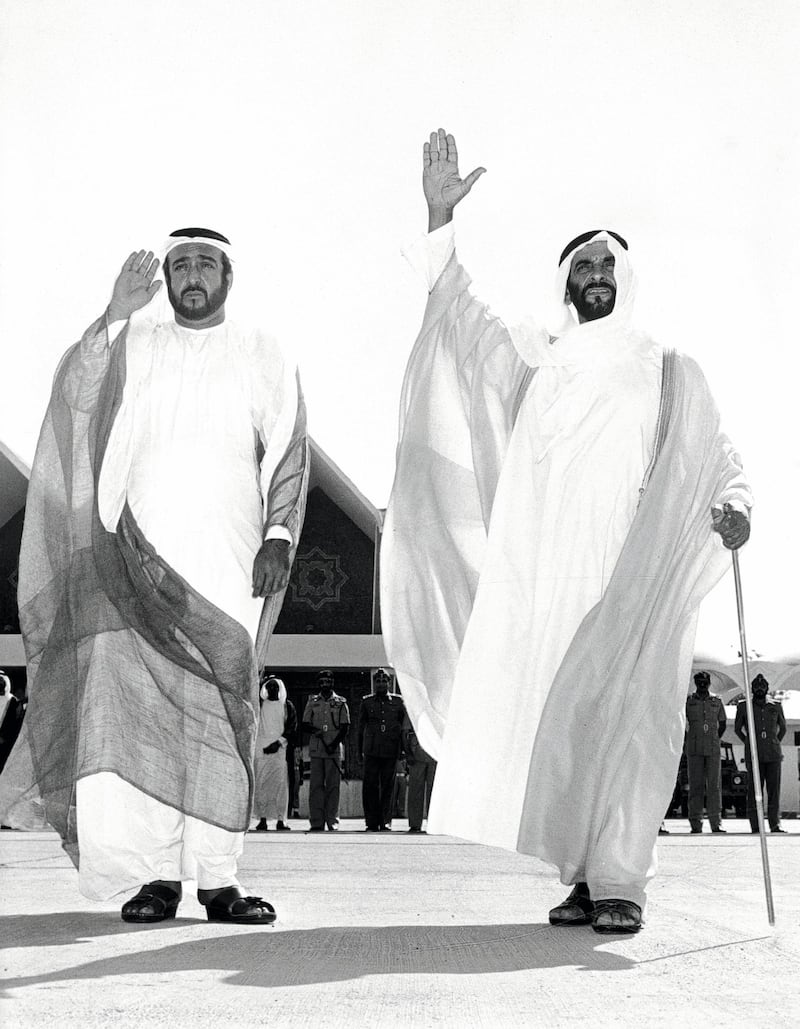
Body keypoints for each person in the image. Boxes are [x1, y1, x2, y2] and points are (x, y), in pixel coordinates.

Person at [381, 129, 752, 933]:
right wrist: (439, 217)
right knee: (571, 730)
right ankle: (584, 875)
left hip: (634, 574)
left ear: (627, 277)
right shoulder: (536, 357)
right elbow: (462, 320)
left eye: (604, 265)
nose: (592, 277)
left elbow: (719, 455)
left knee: (635, 724)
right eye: (580, 268)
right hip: (552, 580)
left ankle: (622, 879)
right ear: (565, 284)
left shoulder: (667, 368)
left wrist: (737, 507)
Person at [0, 229, 308, 925]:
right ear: (164, 277)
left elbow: (289, 443)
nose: (191, 274)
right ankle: (158, 877)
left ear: (229, 274)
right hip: (136, 553)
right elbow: (75, 390)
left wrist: (279, 532)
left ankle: (218, 878)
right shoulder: (135, 340)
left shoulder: (262, 347)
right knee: (140, 709)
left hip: (229, 559)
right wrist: (113, 313)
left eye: (205, 263)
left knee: (223, 708)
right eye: (179, 265)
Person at [735, 674, 786, 833]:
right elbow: (738, 729)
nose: (759, 690)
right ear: (751, 689)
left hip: (773, 754)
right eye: (756, 687)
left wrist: (774, 741)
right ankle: (756, 825)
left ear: (767, 688)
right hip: (754, 755)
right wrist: (749, 742)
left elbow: (782, 728)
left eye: (762, 687)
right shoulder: (744, 706)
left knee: (773, 790)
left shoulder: (776, 705)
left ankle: (774, 824)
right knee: (754, 790)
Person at [358, 668, 406, 831]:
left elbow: (402, 728)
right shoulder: (367, 702)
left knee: (388, 786)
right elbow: (360, 728)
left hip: (390, 749)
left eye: (384, 681)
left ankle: (385, 821)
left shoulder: (398, 702)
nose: (381, 684)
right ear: (374, 683)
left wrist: (402, 750)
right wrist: (359, 751)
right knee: (370, 786)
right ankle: (371, 821)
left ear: (389, 682)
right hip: (371, 750)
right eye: (378, 681)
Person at [302, 669, 350, 831]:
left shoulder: (341, 702)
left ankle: (332, 821)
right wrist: (316, 731)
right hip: (317, 749)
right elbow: (305, 724)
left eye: (328, 682)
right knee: (316, 786)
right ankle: (316, 821)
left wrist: (334, 744)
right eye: (322, 682)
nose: (325, 685)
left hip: (333, 750)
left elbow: (345, 727)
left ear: (332, 683)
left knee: (333, 786)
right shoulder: (312, 701)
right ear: (319, 684)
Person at [685, 671, 727, 834]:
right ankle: (695, 823)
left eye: (705, 682)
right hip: (694, 748)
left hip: (712, 748)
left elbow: (722, 723)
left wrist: (714, 738)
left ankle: (716, 822)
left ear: (709, 683)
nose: (702, 685)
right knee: (695, 786)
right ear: (696, 683)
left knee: (714, 786)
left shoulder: (716, 701)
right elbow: (683, 721)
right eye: (699, 682)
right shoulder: (689, 702)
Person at [253, 675, 296, 832]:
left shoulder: (286, 706)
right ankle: (262, 819)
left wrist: (278, 743)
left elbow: (292, 727)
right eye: (269, 686)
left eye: (275, 687)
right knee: (261, 784)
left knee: (280, 785)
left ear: (280, 688)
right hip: (261, 749)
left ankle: (280, 820)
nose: (272, 689)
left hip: (279, 750)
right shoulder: (259, 705)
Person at [403, 711, 437, 833]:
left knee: (434, 791)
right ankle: (415, 824)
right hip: (416, 754)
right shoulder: (414, 707)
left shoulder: (438, 709)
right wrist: (408, 754)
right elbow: (405, 733)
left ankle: (434, 822)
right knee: (415, 791)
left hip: (435, 754)